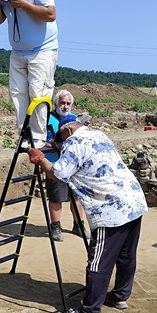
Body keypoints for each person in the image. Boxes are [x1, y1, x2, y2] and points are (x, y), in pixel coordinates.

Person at [28, 115, 148, 313]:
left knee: (98, 261)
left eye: (62, 139)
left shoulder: (73, 141)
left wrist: (41, 159)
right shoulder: (97, 134)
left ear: (68, 131)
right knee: (126, 255)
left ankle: (90, 311)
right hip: (133, 201)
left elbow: (59, 174)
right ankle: (120, 296)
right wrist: (58, 148)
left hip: (110, 209)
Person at [0, 0, 58, 147]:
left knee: (38, 93)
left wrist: (23, 4)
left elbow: (50, 14)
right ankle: (25, 135)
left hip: (42, 50)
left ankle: (38, 138)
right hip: (18, 51)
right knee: (18, 93)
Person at [44, 89, 86, 241]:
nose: (65, 106)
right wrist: (53, 146)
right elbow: (40, 140)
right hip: (54, 163)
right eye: (62, 103)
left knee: (77, 197)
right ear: (56, 103)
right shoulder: (46, 118)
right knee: (56, 197)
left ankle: (79, 225)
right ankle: (56, 226)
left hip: (74, 164)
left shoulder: (74, 119)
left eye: (68, 103)